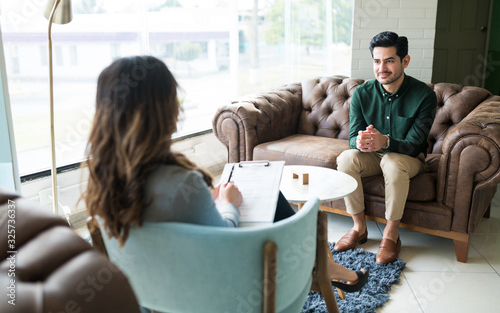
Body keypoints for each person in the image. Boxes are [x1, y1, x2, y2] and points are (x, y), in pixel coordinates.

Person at [83, 55, 368, 294]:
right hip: (219, 294)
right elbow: (225, 242)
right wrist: (227, 204)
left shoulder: (101, 179)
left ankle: (325, 267)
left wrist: (205, 203)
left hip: (152, 296)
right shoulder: (183, 182)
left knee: (268, 195)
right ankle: (322, 266)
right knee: (278, 205)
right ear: (165, 110)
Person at [334, 31, 437, 264]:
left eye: (389, 61)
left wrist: (387, 142)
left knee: (391, 161)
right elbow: (352, 138)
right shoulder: (361, 93)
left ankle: (391, 235)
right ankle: (359, 228)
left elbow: (413, 145)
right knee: (346, 158)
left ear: (405, 61)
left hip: (408, 159)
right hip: (372, 156)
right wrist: (359, 142)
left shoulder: (424, 96)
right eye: (377, 61)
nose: (382, 68)